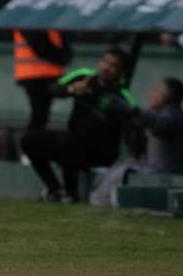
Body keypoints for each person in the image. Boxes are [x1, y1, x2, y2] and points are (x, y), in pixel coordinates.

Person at [21, 48, 136, 203]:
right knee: (29, 140)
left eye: (113, 65)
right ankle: (55, 189)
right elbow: (53, 89)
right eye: (105, 61)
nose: (106, 67)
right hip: (71, 140)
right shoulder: (84, 76)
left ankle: (71, 194)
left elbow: (133, 120)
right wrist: (71, 90)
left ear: (121, 71)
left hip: (100, 151)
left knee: (71, 143)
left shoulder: (122, 95)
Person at [90, 78, 183, 206]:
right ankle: (99, 200)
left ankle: (100, 202)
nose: (151, 93)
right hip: (157, 169)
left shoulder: (173, 116)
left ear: (167, 96)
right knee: (118, 167)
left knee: (122, 171)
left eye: (156, 90)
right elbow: (144, 121)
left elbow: (157, 122)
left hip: (170, 172)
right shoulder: (164, 113)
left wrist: (128, 109)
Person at [13, 29, 71, 132]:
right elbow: (40, 45)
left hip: (41, 74)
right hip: (36, 75)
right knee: (39, 116)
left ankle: (35, 141)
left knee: (40, 116)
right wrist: (62, 57)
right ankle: (33, 143)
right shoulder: (32, 19)